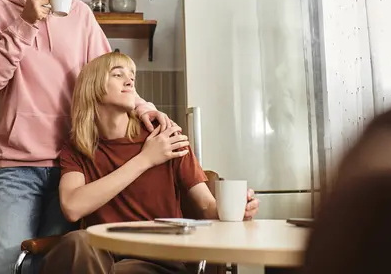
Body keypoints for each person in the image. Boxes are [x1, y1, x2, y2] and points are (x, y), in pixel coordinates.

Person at [0, 0, 174, 274]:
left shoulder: (80, 14)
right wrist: (25, 22)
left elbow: (108, 75)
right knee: (6, 264)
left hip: (75, 164)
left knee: (56, 264)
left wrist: (145, 109)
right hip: (17, 167)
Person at [40, 51, 260, 273]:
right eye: (118, 74)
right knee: (77, 242)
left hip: (159, 260)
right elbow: (72, 207)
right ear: (92, 88)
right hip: (102, 256)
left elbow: (206, 206)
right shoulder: (78, 147)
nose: (130, 81)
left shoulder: (165, 135)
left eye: (132, 76)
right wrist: (145, 159)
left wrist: (237, 210)